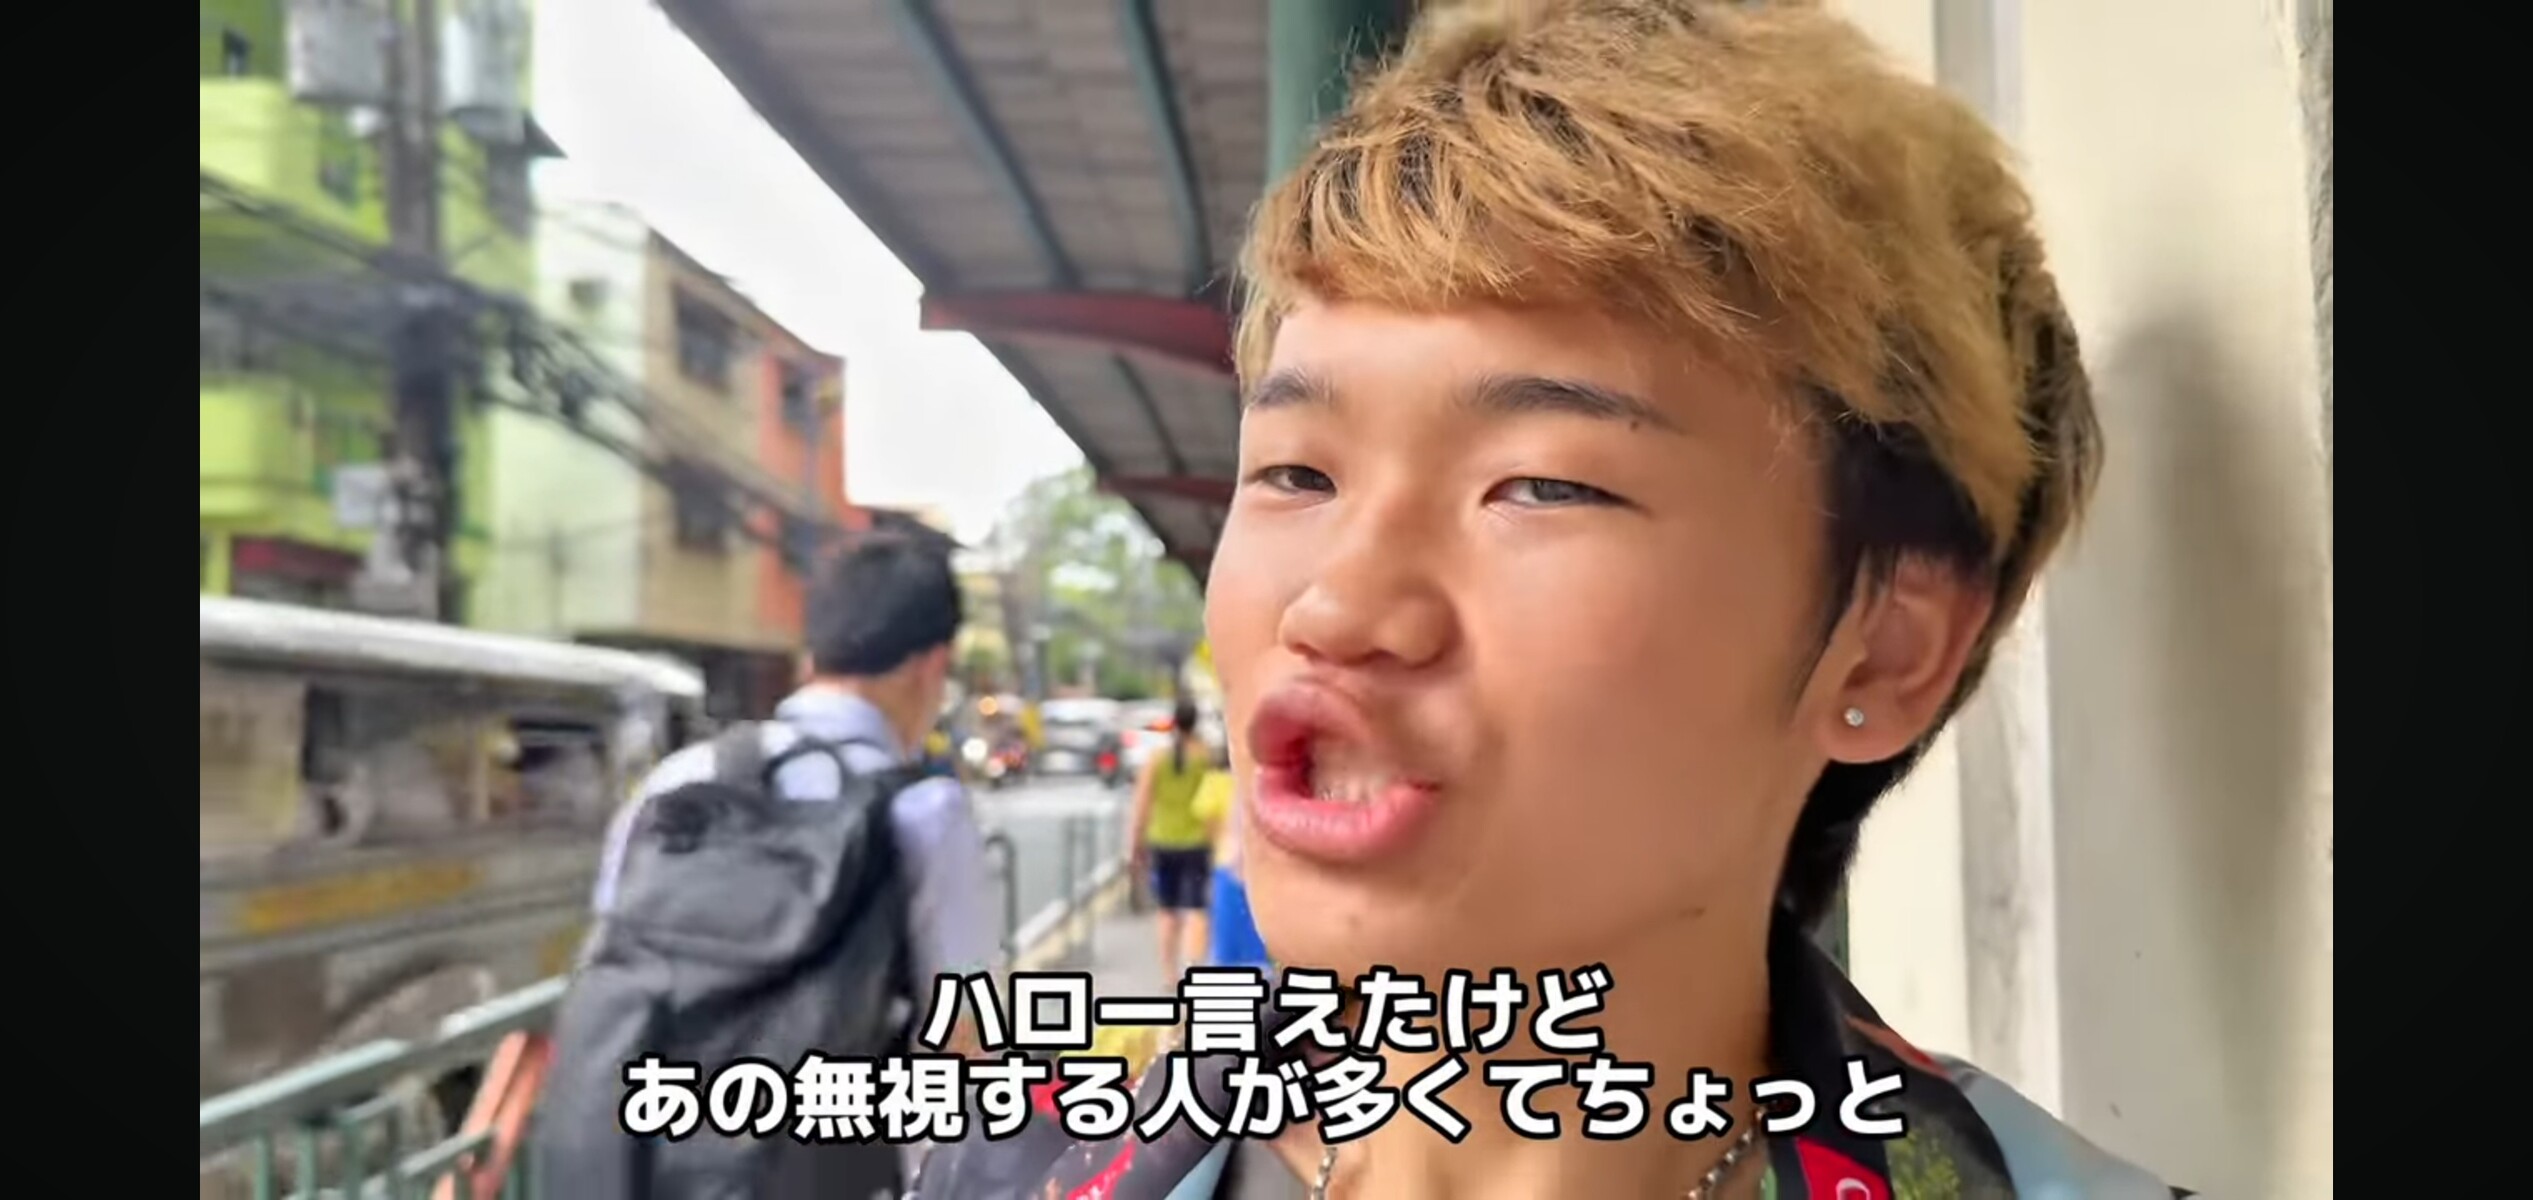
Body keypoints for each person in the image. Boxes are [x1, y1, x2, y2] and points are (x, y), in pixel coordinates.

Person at [912, 1, 2191, 1198]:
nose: (1337, 607)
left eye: (1540, 486)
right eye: (1297, 472)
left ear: (1884, 652)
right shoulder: (1013, 1168)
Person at [567, 529, 1000, 1197]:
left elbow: (604, 968)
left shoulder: (679, 784)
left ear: (812, 656)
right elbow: (963, 1035)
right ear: (931, 666)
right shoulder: (923, 811)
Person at [1125, 696, 1215, 984]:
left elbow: (1141, 803)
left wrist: (1134, 844)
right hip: (1198, 842)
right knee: (1196, 910)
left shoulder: (1157, 759)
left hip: (1162, 841)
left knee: (1167, 910)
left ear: (1174, 723)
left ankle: (1169, 974)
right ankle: (1194, 970)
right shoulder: (1205, 757)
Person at [1191, 750, 1270, 971]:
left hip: (1227, 863)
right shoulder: (1264, 781)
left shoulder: (1216, 781)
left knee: (1227, 938)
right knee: (1257, 938)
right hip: (1258, 868)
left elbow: (1205, 820)